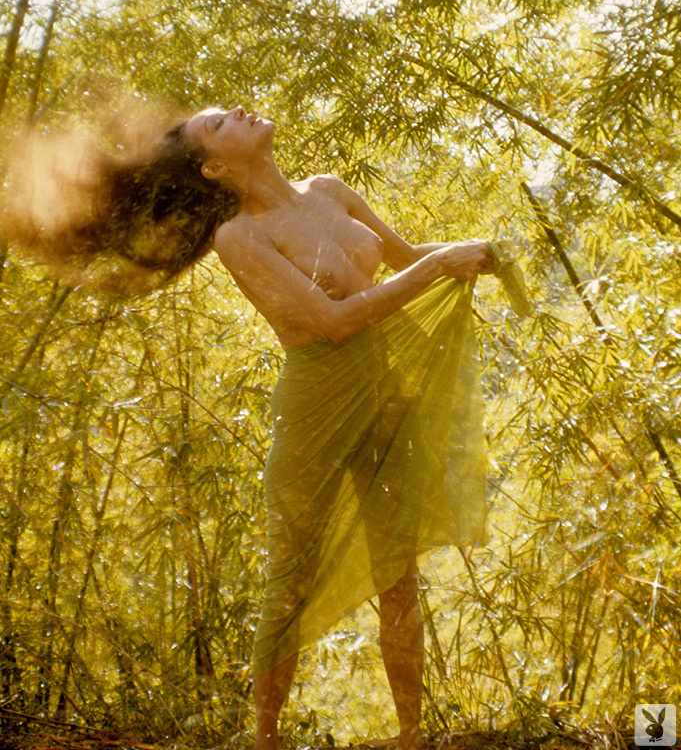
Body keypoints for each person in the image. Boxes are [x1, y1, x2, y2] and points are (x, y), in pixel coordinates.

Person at [3, 101, 495, 750]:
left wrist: (475, 254)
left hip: (383, 396)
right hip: (315, 407)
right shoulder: (240, 237)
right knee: (290, 581)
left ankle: (411, 738)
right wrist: (438, 267)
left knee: (397, 575)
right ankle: (266, 741)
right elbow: (334, 322)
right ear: (212, 167)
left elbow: (406, 258)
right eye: (217, 123)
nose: (237, 110)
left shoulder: (329, 190)